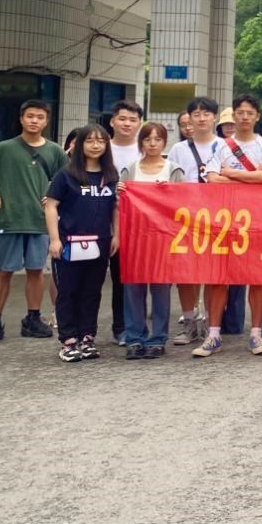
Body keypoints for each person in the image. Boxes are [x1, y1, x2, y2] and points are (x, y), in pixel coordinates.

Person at [0, 99, 69, 346]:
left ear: (46, 121)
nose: (34, 121)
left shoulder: (55, 151)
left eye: (40, 117)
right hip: (10, 220)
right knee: (3, 271)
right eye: (30, 116)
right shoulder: (4, 148)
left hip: (40, 222)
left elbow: (68, 179)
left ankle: (33, 319)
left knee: (36, 271)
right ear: (21, 119)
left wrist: (56, 198)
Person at [192, 94, 262, 359]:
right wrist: (251, 178)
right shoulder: (220, 146)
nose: (244, 117)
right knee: (219, 278)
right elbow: (211, 179)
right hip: (224, 220)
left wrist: (230, 173)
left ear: (257, 116)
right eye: (240, 112)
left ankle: (256, 334)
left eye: (250, 113)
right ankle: (214, 335)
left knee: (257, 279)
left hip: (258, 220)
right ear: (233, 115)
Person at [43, 124, 117, 362]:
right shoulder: (66, 174)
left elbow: (116, 207)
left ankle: (87, 337)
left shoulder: (111, 175)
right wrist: (54, 239)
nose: (96, 145)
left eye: (101, 141)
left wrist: (116, 235)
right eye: (90, 141)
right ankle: (68, 341)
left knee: (92, 292)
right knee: (68, 291)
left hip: (100, 243)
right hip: (69, 243)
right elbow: (51, 206)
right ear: (79, 144)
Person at [118, 121, 184, 359]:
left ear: (165, 142)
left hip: (163, 240)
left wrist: (169, 193)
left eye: (157, 139)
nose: (153, 144)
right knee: (133, 289)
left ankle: (158, 338)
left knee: (161, 290)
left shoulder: (174, 170)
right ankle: (134, 338)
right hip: (134, 238)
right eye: (147, 139)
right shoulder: (130, 169)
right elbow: (119, 204)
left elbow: (182, 205)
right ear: (141, 142)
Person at [166, 96, 220, 345]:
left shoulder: (225, 146)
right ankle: (189, 322)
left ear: (214, 117)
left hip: (218, 219)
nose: (201, 118)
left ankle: (210, 323)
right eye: (196, 114)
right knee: (185, 274)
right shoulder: (178, 149)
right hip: (185, 219)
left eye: (206, 113)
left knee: (212, 274)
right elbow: (171, 183)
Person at [106, 99, 144, 344]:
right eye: (122, 118)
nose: (127, 124)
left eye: (132, 119)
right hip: (101, 221)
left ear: (139, 123)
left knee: (131, 278)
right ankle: (110, 328)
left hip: (137, 225)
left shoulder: (145, 151)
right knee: (107, 278)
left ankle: (129, 327)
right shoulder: (101, 148)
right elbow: (83, 182)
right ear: (112, 121)